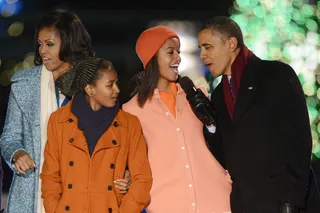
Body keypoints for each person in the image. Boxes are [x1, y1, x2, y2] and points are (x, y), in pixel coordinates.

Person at [198, 16, 314, 213]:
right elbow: (226, 157)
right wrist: (210, 125)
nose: (202, 55)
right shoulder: (218, 95)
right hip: (244, 204)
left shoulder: (275, 74)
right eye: (201, 48)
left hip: (281, 202)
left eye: (208, 47)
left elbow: (298, 142)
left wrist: (290, 201)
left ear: (231, 43)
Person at [122, 25, 231, 213]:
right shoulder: (132, 110)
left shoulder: (198, 96)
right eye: (170, 52)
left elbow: (222, 144)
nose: (178, 58)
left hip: (215, 201)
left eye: (178, 52)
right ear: (152, 57)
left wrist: (212, 124)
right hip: (166, 204)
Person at [0, 9, 95, 213]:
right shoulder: (24, 85)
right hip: (33, 196)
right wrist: (17, 153)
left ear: (69, 43)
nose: (43, 51)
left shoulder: (94, 85)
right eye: (40, 44)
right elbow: (9, 137)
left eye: (50, 44)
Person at [40, 57, 152, 213]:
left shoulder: (129, 124)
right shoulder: (59, 121)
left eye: (116, 82)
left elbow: (142, 179)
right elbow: (50, 176)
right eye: (109, 85)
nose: (117, 90)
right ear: (90, 89)